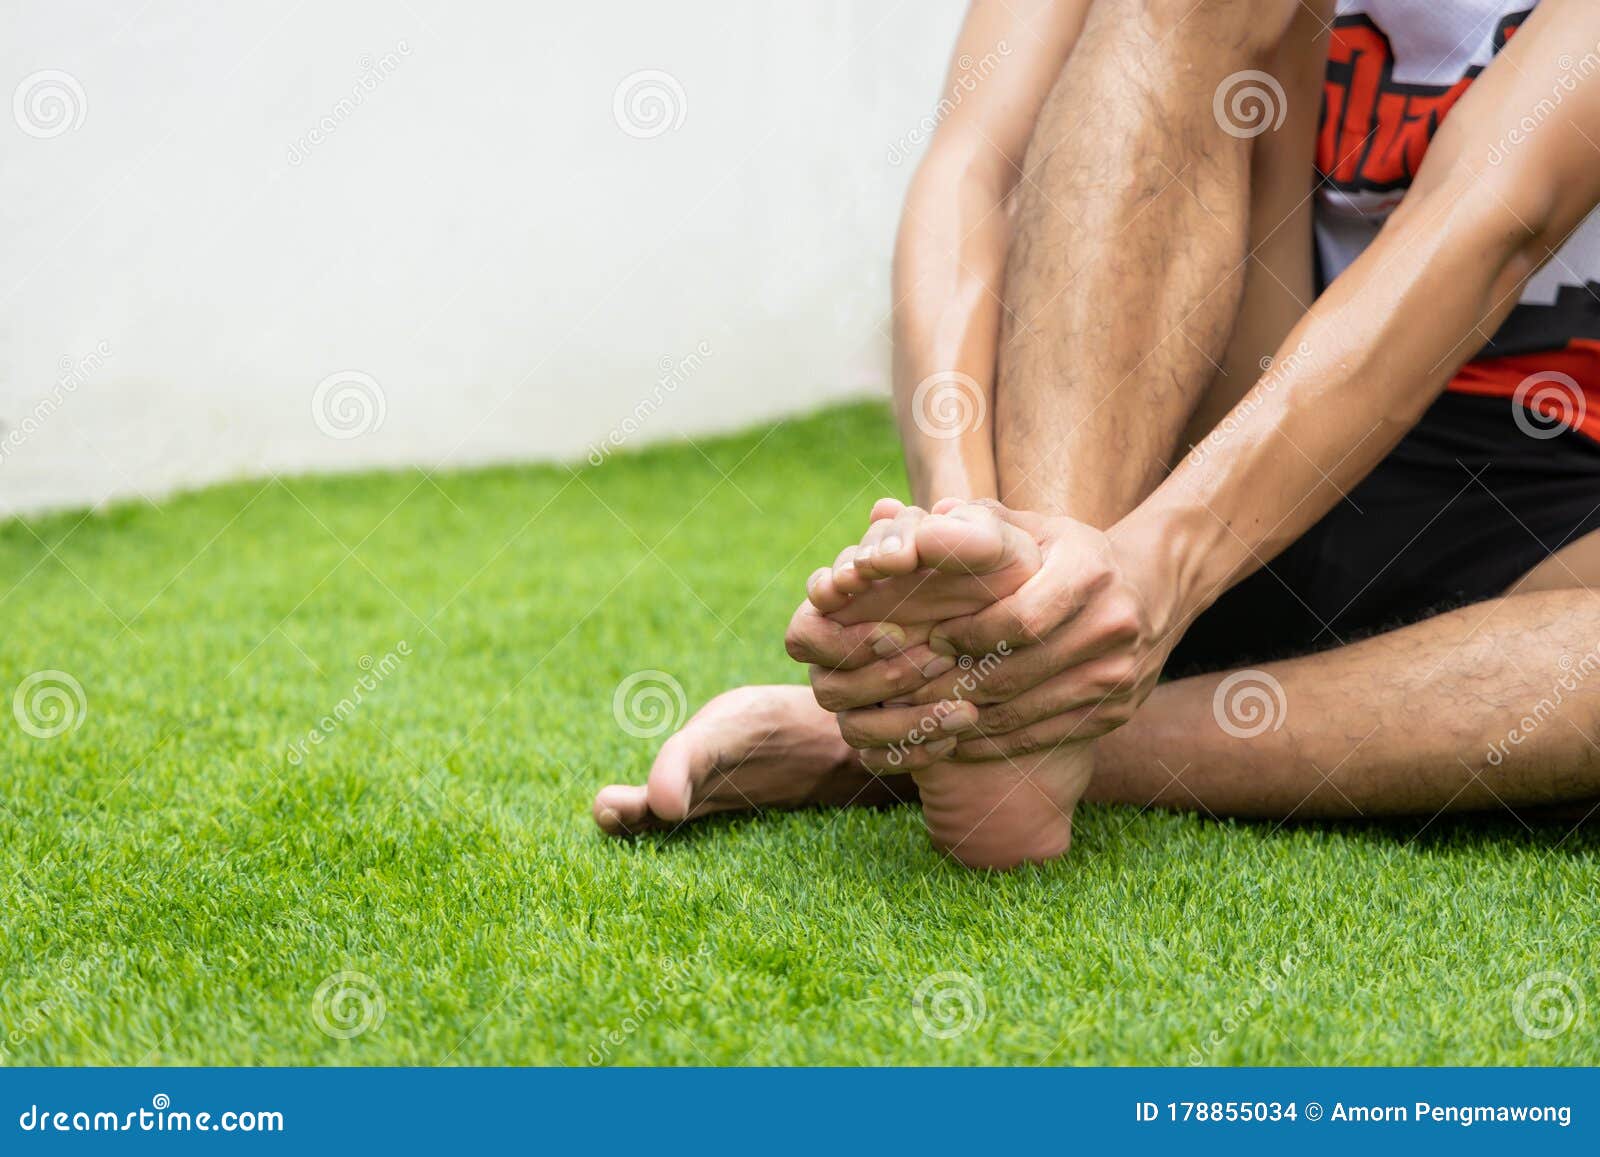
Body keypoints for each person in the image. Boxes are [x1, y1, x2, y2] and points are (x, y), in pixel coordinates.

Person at [594, 0, 1600, 869]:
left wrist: (1145, 581)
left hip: (1551, 517)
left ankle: (978, 737)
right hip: (1218, 427)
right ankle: (1036, 625)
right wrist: (980, 534)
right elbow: (974, 167)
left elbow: (1498, 214)